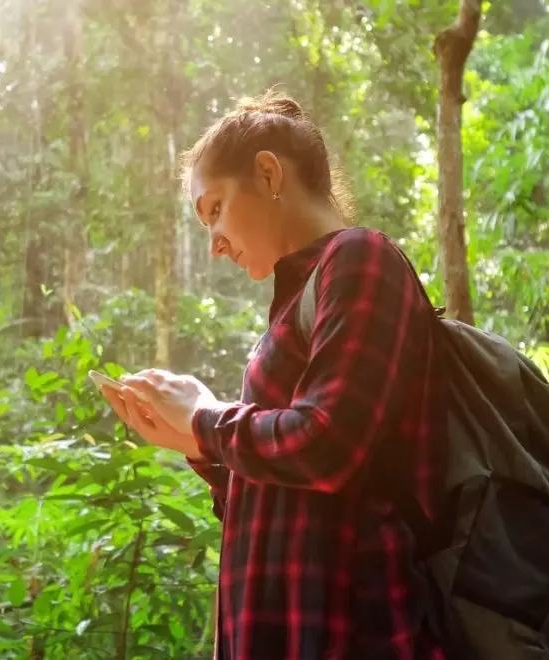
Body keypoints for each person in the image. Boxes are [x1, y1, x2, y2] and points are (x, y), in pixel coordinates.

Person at [100, 90, 448, 660]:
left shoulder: (360, 258)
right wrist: (197, 443)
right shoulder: (291, 312)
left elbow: (329, 443)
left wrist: (206, 419)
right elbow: (280, 502)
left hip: (355, 633)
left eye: (214, 209)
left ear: (267, 172)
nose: (212, 243)